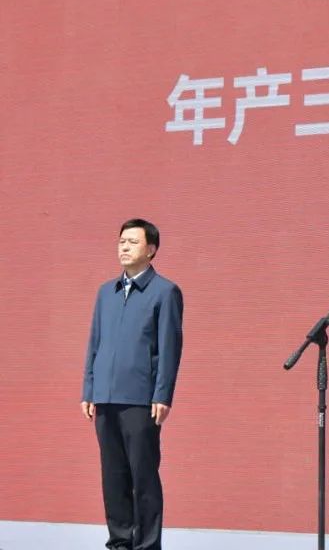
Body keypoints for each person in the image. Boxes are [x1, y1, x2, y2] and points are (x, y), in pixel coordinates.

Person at [81, 219, 184, 550]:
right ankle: (120, 543)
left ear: (151, 250)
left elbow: (169, 348)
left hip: (141, 400)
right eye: (121, 241)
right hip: (104, 398)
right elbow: (94, 343)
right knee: (113, 477)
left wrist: (162, 394)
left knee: (143, 478)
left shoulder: (165, 292)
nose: (124, 247)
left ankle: (148, 545)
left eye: (132, 242)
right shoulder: (105, 292)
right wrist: (89, 389)